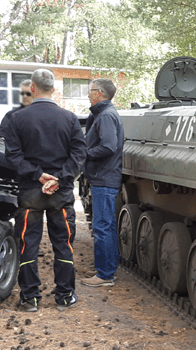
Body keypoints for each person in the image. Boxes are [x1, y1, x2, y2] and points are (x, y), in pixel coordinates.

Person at [2, 69, 87, 312]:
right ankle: (65, 296)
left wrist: (38, 175)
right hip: (60, 195)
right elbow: (79, 154)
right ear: (54, 89)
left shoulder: (16, 118)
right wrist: (59, 179)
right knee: (63, 244)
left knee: (28, 245)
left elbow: (13, 156)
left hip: (30, 193)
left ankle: (30, 298)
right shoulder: (70, 119)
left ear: (32, 88)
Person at [80, 78, 124, 287]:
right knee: (105, 225)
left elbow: (108, 146)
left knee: (102, 227)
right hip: (104, 177)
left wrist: (85, 154)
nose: (88, 94)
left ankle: (105, 275)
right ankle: (105, 268)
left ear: (99, 93)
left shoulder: (106, 116)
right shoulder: (103, 114)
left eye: (90, 91)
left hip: (104, 178)